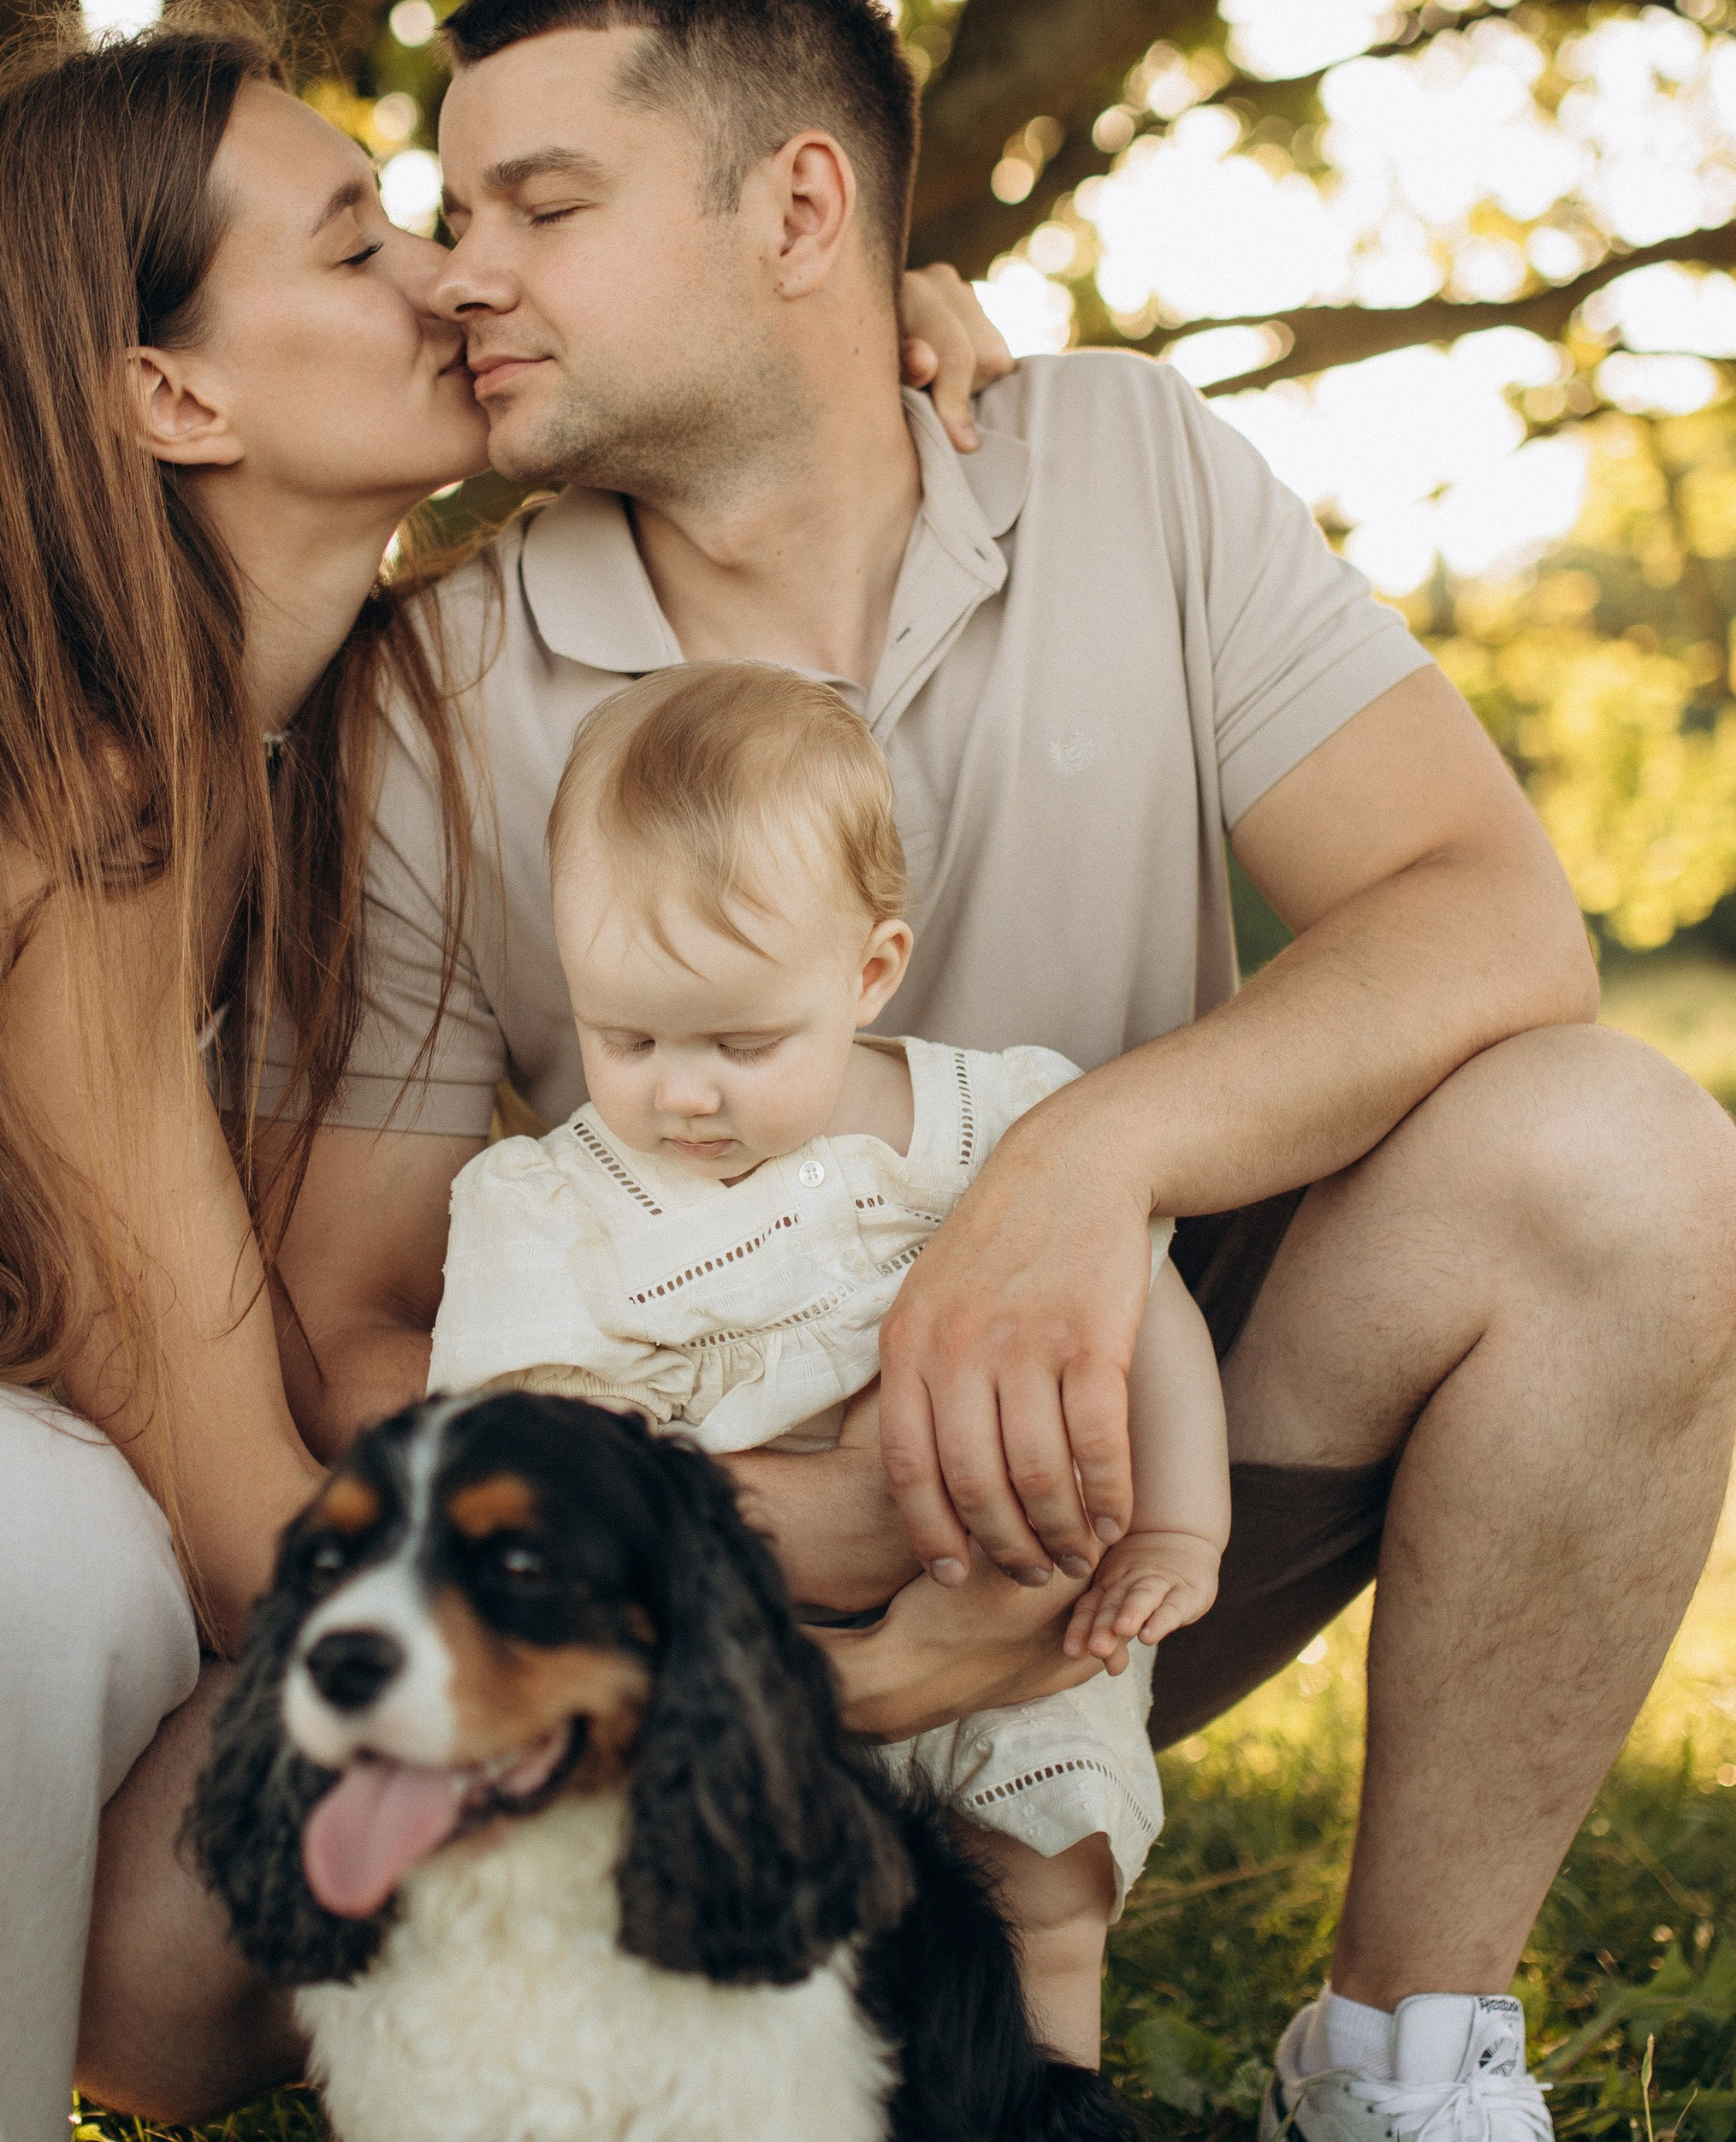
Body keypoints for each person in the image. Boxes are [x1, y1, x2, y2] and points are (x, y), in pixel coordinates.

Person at [274, 0, 1736, 2142]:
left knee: (1616, 1153)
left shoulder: (1129, 465)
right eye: (447, 213)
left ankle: (1394, 2079)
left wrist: (1084, 1164)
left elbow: (1487, 913)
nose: (458, 274)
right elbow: (350, 1329)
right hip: (708, 1641)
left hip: (1119, 1510)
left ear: (803, 212)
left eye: (538, 205)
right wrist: (783, 1540)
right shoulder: (430, 694)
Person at [0, 0, 1026, 2142]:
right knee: (170, 1752)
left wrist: (877, 331)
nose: (452, 280)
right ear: (174, 397)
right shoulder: (72, 807)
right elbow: (226, 1521)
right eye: (357, 241)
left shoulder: (332, 725)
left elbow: (694, 404)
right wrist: (761, 1544)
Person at [424, 659, 1232, 2065]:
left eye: (743, 1040)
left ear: (868, 972)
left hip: (1026, 1639)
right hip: (732, 1664)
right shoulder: (552, 1214)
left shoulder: (1004, 1130)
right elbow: (517, 1468)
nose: (681, 1089)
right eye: (625, 1036)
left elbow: (1145, 1310)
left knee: (1042, 1894)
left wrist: (1178, 1521)